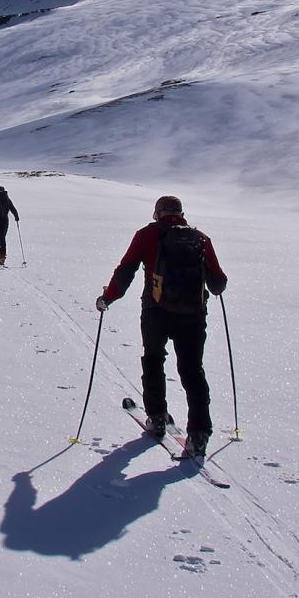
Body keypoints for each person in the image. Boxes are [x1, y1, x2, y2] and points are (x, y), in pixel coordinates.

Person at [96, 195, 228, 458]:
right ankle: (199, 435)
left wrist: (107, 298)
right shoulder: (200, 238)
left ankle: (156, 418)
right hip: (193, 315)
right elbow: (217, 283)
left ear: (157, 213)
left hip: (155, 312)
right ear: (181, 213)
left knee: (154, 360)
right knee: (193, 371)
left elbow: (126, 270)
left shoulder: (147, 235)